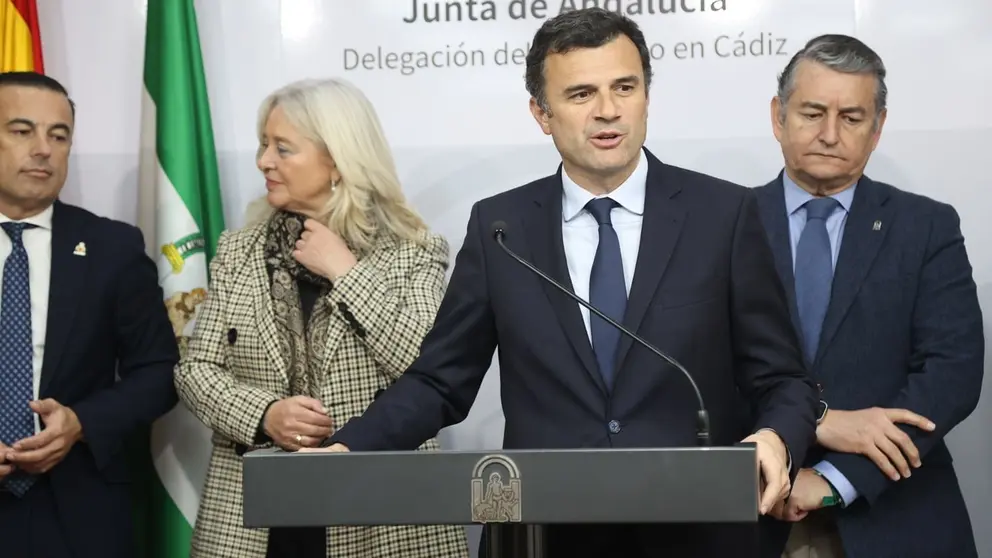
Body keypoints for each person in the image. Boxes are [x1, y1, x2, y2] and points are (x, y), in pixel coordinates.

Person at [311, 8, 819, 558]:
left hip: (695, 533)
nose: (608, 111)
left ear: (647, 95)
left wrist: (776, 438)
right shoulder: (501, 229)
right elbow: (440, 381)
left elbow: (786, 379)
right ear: (541, 112)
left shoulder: (724, 214)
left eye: (624, 87)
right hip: (544, 535)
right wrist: (348, 447)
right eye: (580, 94)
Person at [173, 77, 470, 558]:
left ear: (337, 159)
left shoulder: (413, 251)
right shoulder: (238, 250)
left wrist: (344, 270)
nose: (263, 161)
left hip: (382, 513)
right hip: (254, 519)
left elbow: (425, 369)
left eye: (282, 148)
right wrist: (264, 415)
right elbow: (195, 372)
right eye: (263, 145)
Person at [754, 34, 984, 558]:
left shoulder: (927, 227)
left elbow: (953, 372)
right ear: (778, 116)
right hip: (753, 512)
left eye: (852, 118)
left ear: (877, 129)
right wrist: (817, 420)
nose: (829, 134)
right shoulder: (722, 224)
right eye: (812, 113)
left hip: (895, 515)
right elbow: (701, 370)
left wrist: (837, 477)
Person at [0, 71, 180, 557]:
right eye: (22, 131)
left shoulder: (111, 247)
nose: (43, 149)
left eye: (59, 136)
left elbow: (160, 372)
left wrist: (81, 421)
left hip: (77, 510)